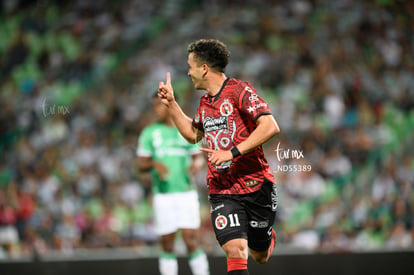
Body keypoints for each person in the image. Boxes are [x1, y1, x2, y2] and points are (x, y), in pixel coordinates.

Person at [158, 38, 280, 275]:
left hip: (256, 185)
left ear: (204, 68)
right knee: (235, 250)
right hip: (222, 189)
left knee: (259, 255)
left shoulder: (239, 91)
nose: (188, 72)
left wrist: (232, 152)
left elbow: (270, 126)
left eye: (190, 66)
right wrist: (172, 104)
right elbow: (194, 135)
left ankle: (265, 239)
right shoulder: (205, 103)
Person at [137, 93, 210, 275]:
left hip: (186, 192)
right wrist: (154, 164)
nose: (157, 110)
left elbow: (198, 157)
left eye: (160, 105)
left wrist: (196, 165)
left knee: (191, 239)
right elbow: (141, 164)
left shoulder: (186, 128)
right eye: (155, 106)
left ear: (171, 105)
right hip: (163, 194)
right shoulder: (149, 133)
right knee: (167, 243)